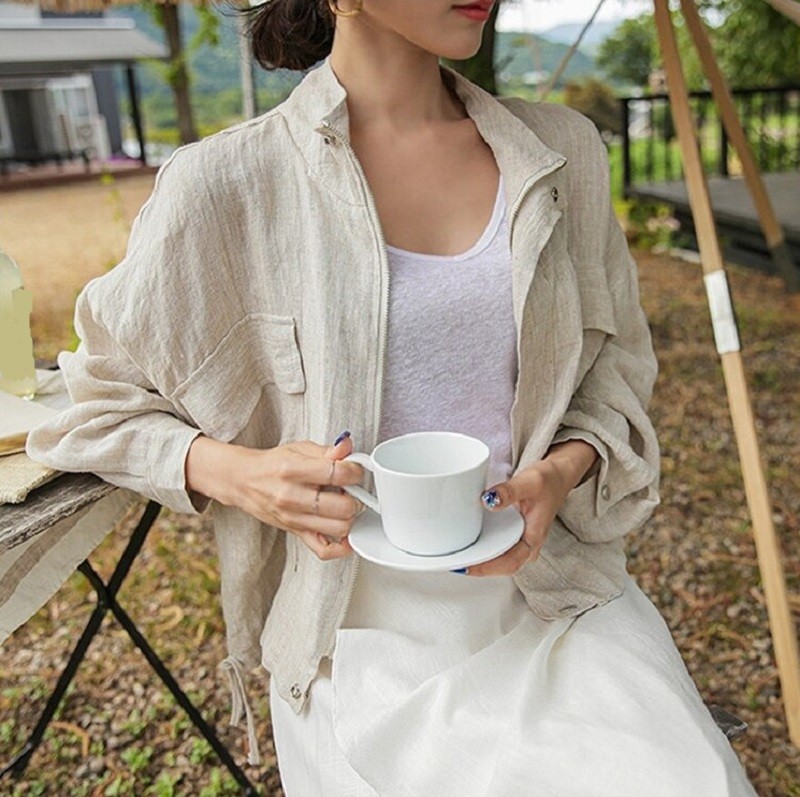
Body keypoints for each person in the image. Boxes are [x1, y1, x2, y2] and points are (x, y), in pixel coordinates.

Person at [27, 0, 758, 794]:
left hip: (553, 588)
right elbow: (95, 404)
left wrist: (559, 472)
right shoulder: (231, 182)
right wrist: (242, 475)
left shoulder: (560, 152)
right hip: (354, 623)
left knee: (692, 779)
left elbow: (613, 374)